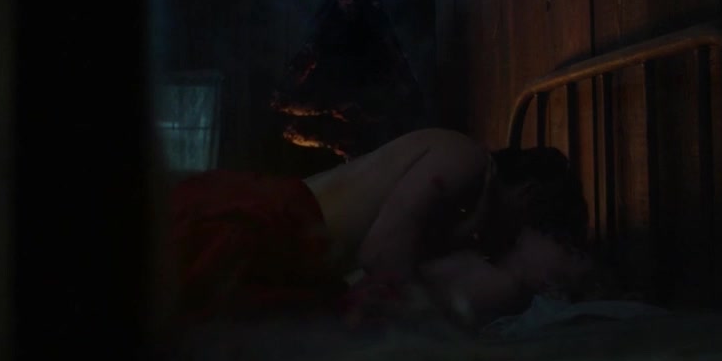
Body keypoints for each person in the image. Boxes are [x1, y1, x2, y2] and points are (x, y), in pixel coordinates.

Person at [165, 128, 589, 328]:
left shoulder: (469, 200)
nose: (516, 238)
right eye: (531, 226)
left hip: (273, 231)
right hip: (262, 225)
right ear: (528, 194)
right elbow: (380, 255)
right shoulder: (467, 162)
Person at [270, 0, 425, 159]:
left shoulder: (380, 35)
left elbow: (404, 86)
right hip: (338, 122)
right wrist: (332, 106)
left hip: (376, 125)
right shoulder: (323, 37)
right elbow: (284, 96)